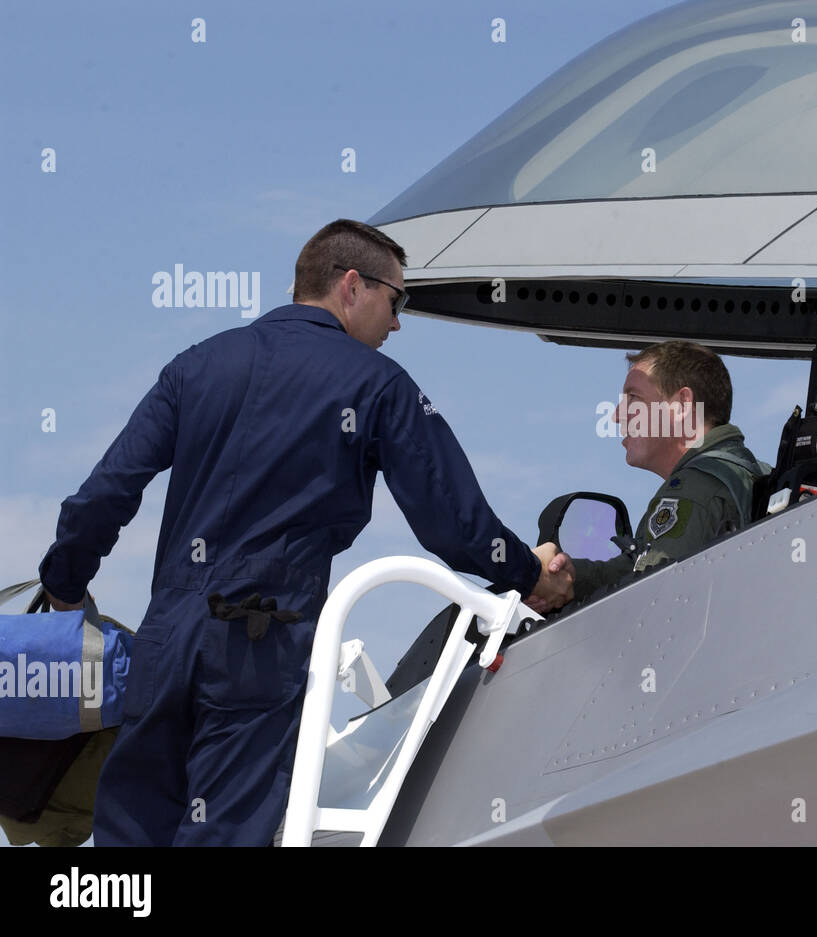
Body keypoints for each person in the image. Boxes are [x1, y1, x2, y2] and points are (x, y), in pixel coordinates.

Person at [37, 219, 572, 846]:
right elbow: (454, 523)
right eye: (397, 301)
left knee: (129, 843)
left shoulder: (198, 364)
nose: (398, 323)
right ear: (352, 285)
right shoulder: (377, 385)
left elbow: (104, 495)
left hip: (165, 640)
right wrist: (532, 575)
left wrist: (65, 588)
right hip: (261, 640)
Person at [536, 341, 767, 608]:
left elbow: (652, 598)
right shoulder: (739, 474)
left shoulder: (697, 489)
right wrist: (571, 578)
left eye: (633, 398)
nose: (617, 416)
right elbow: (638, 567)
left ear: (681, 405)